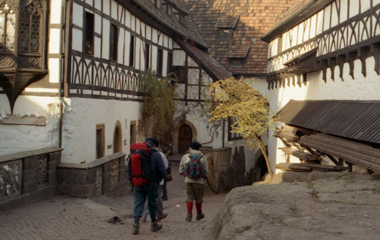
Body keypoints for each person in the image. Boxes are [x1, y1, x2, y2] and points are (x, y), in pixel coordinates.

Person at [128, 137, 166, 235]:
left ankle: (136, 225)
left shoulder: (136, 153)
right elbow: (162, 171)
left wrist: (134, 179)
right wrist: (157, 180)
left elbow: (129, 168)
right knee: (152, 204)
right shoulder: (156, 155)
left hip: (138, 183)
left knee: (138, 204)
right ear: (154, 145)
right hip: (152, 184)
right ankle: (153, 224)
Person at [179, 141, 209, 222]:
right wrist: (204, 178)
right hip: (199, 181)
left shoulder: (186, 156)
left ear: (191, 148)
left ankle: (189, 215)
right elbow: (206, 171)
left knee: (189, 197)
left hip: (188, 180)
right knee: (199, 198)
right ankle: (199, 214)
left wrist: (185, 177)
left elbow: (181, 169)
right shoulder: (203, 157)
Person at [142, 149, 168, 222]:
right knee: (156, 198)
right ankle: (157, 215)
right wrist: (159, 179)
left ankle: (144, 215)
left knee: (148, 198)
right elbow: (165, 166)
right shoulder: (160, 155)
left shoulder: (143, 154)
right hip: (156, 181)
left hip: (145, 180)